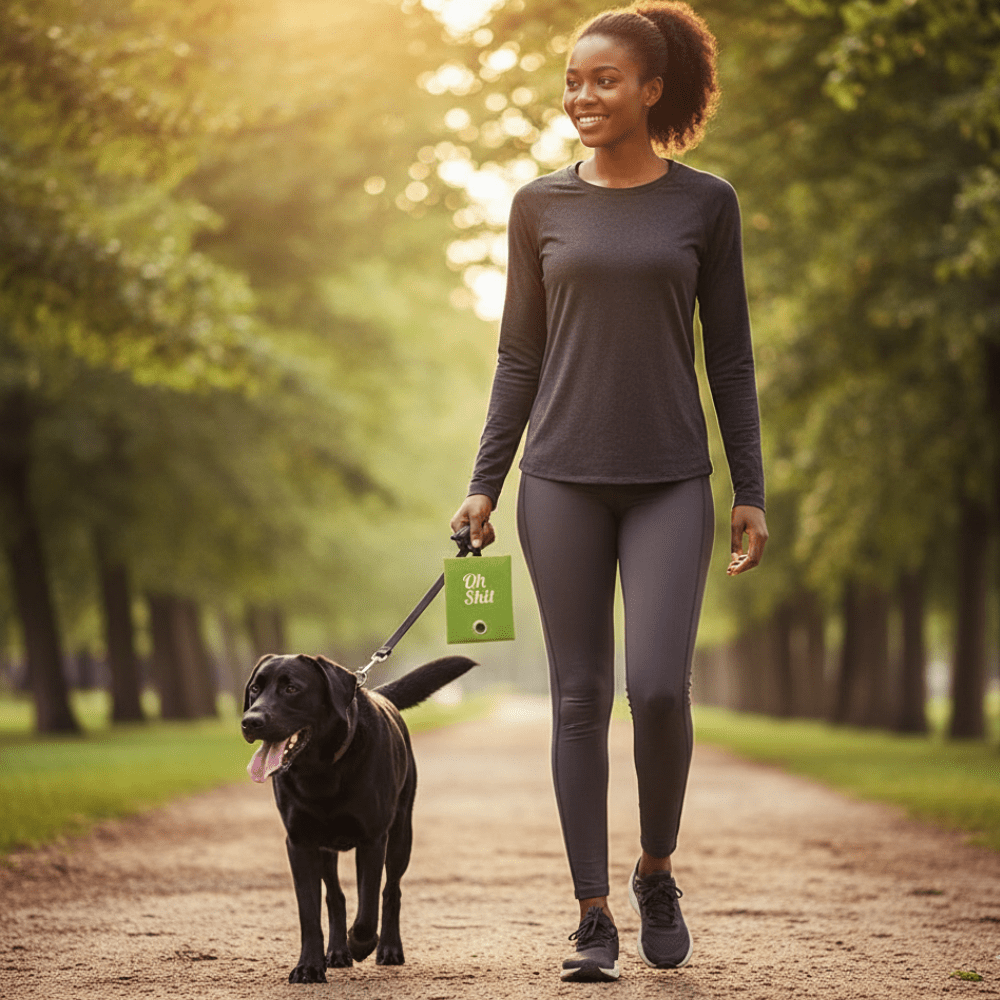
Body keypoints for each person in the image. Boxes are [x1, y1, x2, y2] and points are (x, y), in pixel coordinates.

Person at [450, 0, 768, 983]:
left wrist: (747, 487)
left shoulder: (704, 204)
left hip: (671, 476)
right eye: (572, 81)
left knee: (660, 688)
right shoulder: (539, 206)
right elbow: (517, 354)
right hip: (559, 482)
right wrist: (482, 484)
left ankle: (655, 871)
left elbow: (729, 356)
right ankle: (591, 913)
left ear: (651, 89)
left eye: (602, 80)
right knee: (579, 696)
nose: (580, 97)